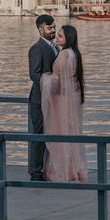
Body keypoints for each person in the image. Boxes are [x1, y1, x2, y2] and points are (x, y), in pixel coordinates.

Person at [41, 23, 87, 183]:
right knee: (71, 131)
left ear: (69, 38)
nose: (57, 38)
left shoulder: (64, 54)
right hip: (72, 98)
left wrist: (44, 78)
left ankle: (61, 171)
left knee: (59, 132)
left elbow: (58, 79)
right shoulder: (75, 53)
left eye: (60, 36)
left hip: (61, 99)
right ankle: (74, 169)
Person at [28, 14, 58, 181]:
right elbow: (34, 75)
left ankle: (48, 169)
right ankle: (35, 172)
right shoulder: (37, 48)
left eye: (54, 27)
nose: (53, 30)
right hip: (39, 99)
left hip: (53, 100)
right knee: (38, 136)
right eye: (49, 28)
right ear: (41, 30)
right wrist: (52, 84)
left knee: (51, 135)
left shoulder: (55, 47)